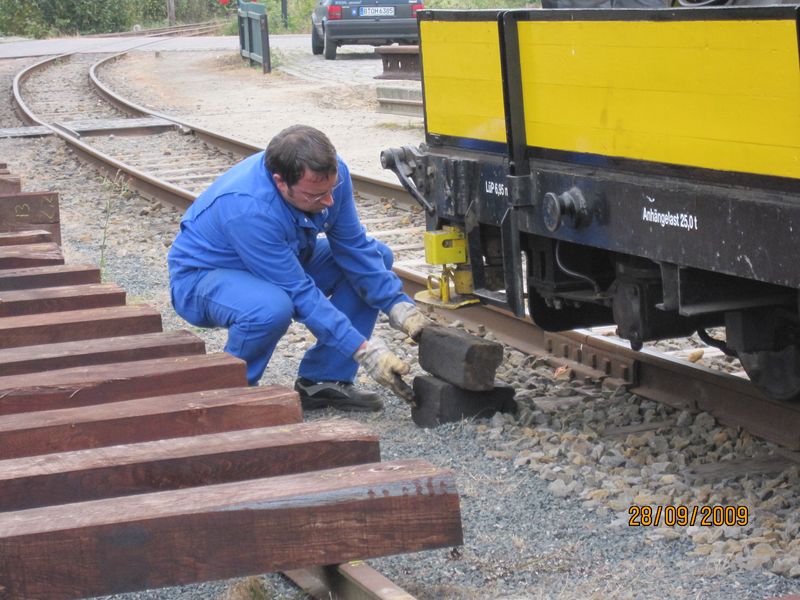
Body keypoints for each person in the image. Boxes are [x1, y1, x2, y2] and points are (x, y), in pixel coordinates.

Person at [167, 124, 429, 412]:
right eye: (315, 196)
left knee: (376, 256)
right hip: (204, 278)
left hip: (279, 260)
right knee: (270, 308)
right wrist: (363, 351)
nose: (329, 201)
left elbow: (353, 247)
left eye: (331, 189)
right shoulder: (249, 209)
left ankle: (323, 380)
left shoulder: (330, 176)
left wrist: (399, 306)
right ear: (281, 183)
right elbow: (299, 292)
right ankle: (230, 396)